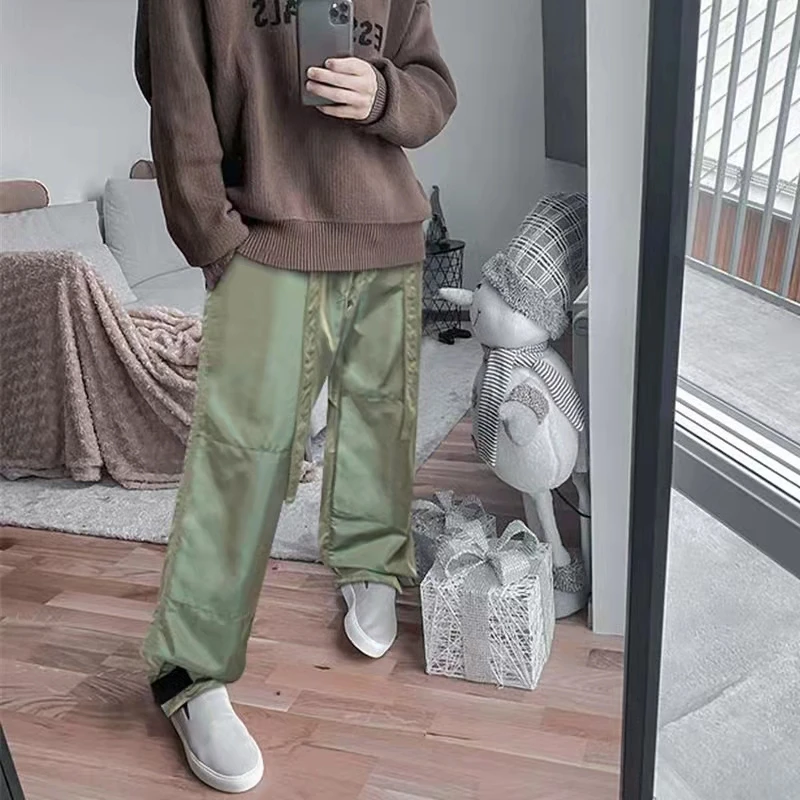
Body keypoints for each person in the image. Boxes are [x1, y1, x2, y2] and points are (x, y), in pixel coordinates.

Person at [134, 0, 456, 792]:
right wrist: (214, 241)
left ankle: (369, 561)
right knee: (242, 455)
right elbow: (173, 94)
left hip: (388, 231)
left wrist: (384, 94)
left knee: (380, 418)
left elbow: (434, 88)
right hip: (267, 238)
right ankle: (190, 672)